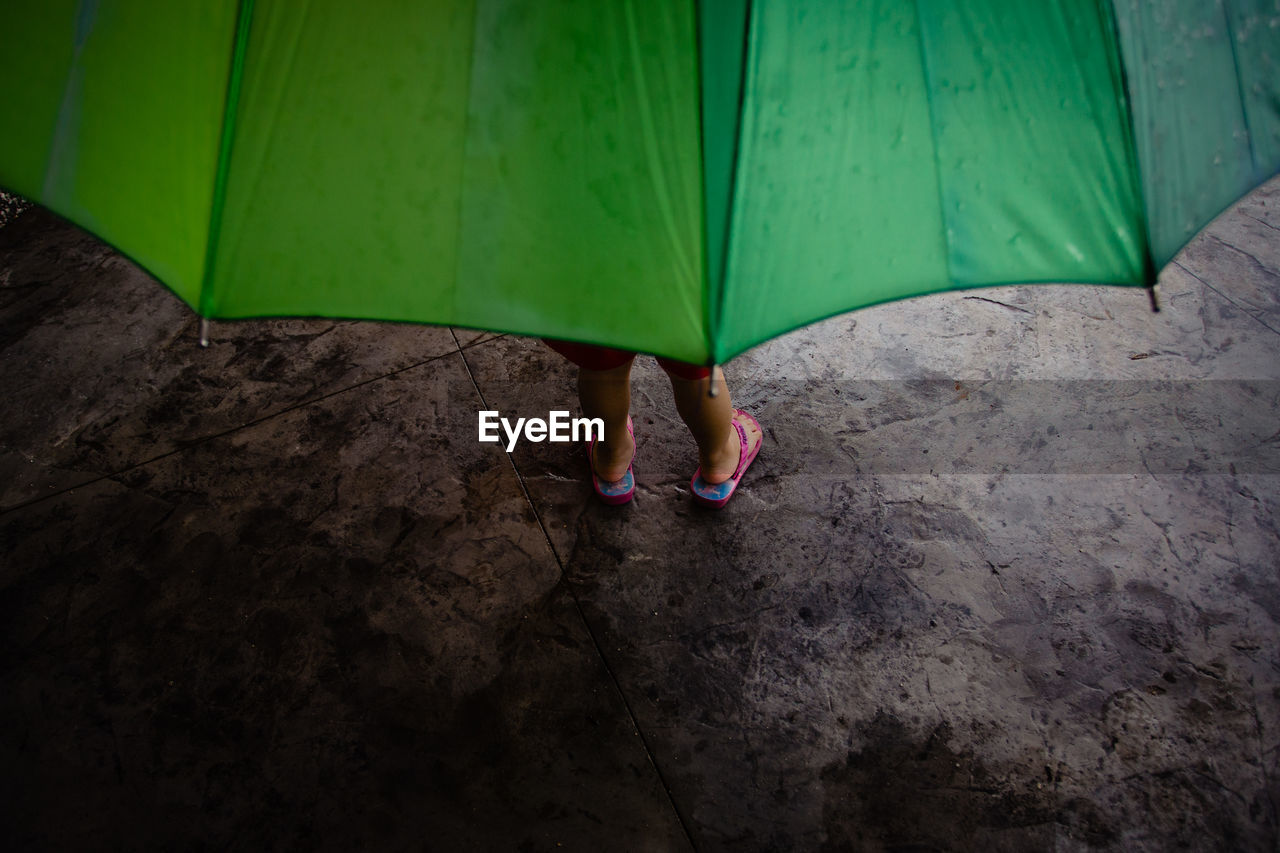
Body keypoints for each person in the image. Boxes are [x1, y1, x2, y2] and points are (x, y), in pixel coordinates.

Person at [543, 340, 763, 508]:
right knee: (692, 361)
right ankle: (719, 456)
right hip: (675, 284)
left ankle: (612, 453)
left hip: (604, 285)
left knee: (602, 358)